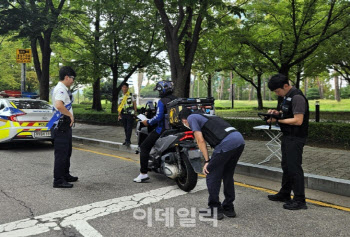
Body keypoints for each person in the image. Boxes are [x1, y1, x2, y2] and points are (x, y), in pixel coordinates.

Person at [178, 108, 245, 220]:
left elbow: (200, 140)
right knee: (227, 174)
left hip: (227, 143)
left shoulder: (191, 118)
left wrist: (207, 161)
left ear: (184, 120)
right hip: (239, 141)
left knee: (211, 173)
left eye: (184, 123)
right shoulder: (207, 116)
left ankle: (215, 209)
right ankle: (229, 208)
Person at [266, 73, 309, 210]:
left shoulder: (297, 97)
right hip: (287, 136)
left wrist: (277, 120)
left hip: (296, 137)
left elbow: (298, 120)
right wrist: (276, 114)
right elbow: (287, 114)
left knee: (294, 168)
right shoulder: (286, 97)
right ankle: (285, 193)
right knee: (286, 166)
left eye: (278, 91)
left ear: (286, 86)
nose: (277, 94)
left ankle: (299, 200)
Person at [133, 81, 176, 183]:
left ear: (162, 90)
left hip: (162, 130)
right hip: (176, 129)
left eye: (159, 90)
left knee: (144, 147)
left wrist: (147, 121)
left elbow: (158, 117)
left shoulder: (162, 101)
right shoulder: (177, 99)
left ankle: (143, 174)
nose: (158, 92)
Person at [47, 66, 78, 188]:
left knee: (67, 152)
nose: (73, 81)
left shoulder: (62, 89)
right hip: (61, 126)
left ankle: (65, 174)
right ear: (66, 77)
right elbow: (59, 105)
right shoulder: (60, 89)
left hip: (63, 126)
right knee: (61, 154)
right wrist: (70, 115)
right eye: (72, 78)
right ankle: (58, 180)